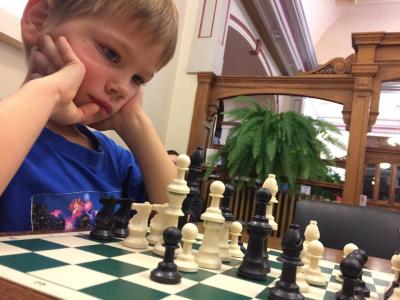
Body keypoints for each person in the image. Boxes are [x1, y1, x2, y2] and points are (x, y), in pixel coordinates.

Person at [0, 0, 178, 232]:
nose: (123, 88)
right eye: (111, 54)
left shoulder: (114, 160)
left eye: (138, 79)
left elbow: (175, 221)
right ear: (39, 19)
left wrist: (135, 121)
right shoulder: (10, 130)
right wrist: (48, 92)